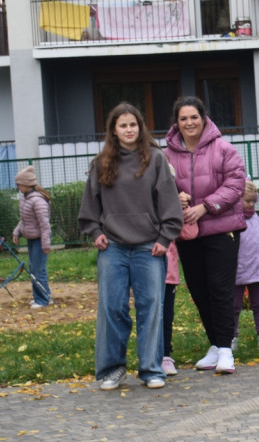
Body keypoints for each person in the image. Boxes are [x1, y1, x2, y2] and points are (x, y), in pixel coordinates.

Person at [78, 102, 182, 390]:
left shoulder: (156, 159)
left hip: (149, 247)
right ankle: (113, 368)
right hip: (112, 247)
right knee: (112, 307)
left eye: (133, 124)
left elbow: (170, 203)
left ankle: (151, 369)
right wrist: (95, 231)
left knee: (151, 308)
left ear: (140, 127)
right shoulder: (102, 163)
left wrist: (164, 238)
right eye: (122, 125)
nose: (128, 130)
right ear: (114, 130)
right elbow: (90, 205)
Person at [164, 96, 247, 374]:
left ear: (203, 118)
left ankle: (226, 350)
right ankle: (215, 343)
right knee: (199, 290)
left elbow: (235, 184)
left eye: (194, 117)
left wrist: (205, 207)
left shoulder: (223, 148)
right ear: (176, 122)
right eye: (183, 118)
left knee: (220, 289)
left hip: (221, 228)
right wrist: (177, 198)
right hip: (188, 233)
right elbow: (160, 187)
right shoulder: (166, 155)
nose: (189, 123)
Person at [231, 181, 259, 351]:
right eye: (247, 201)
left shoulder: (256, 219)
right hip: (238, 270)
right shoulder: (233, 220)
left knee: (258, 305)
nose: (251, 204)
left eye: (253, 201)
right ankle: (231, 338)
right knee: (234, 306)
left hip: (256, 270)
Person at [12, 166, 53, 309]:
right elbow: (24, 219)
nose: (17, 187)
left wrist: (45, 244)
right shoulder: (25, 199)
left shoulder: (38, 201)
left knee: (38, 270)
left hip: (39, 240)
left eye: (18, 184)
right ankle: (44, 296)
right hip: (31, 238)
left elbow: (45, 224)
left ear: (26, 184)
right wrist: (17, 232)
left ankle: (42, 300)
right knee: (34, 269)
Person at [161, 240, 180, 376]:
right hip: (146, 270)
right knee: (149, 315)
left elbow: (189, 232)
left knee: (166, 315)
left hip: (168, 272)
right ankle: (150, 356)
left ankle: (165, 354)